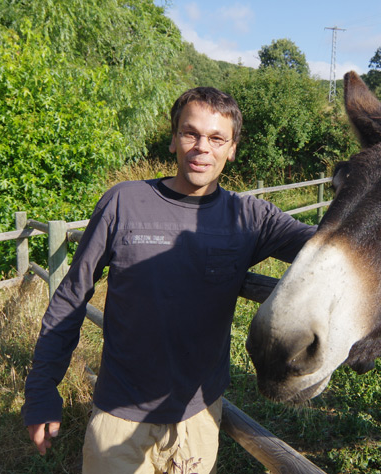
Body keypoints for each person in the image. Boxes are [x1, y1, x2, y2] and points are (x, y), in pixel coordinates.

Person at [22, 87, 316, 473]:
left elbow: (330, 248)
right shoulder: (123, 202)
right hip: (119, 414)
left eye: (216, 138)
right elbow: (72, 296)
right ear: (174, 139)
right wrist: (42, 388)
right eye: (190, 133)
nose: (201, 148)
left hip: (198, 416)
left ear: (232, 148)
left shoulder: (250, 218)